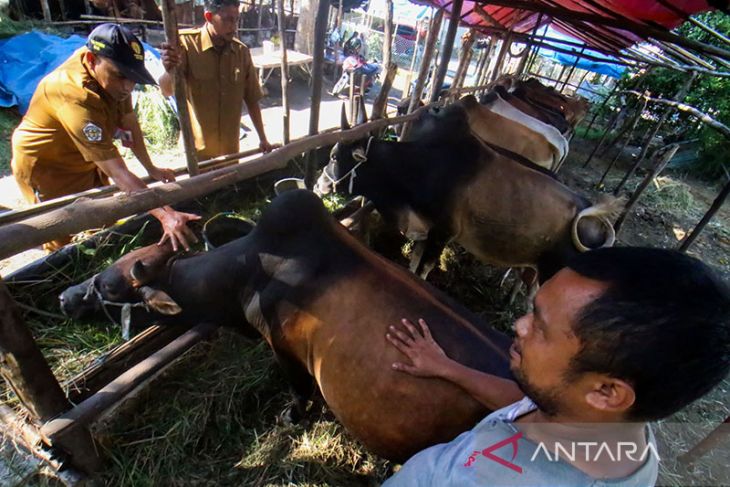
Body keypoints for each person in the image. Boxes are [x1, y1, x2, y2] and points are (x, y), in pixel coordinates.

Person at [384, 247, 730, 486]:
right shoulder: (605, 422)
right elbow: (526, 406)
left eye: (541, 326)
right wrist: (447, 368)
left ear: (607, 392)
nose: (519, 325)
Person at [11, 23, 200, 252]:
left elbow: (129, 122)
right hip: (49, 167)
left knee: (100, 223)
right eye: (120, 77)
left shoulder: (117, 83)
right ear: (92, 60)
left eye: (132, 78)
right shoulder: (73, 93)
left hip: (88, 159)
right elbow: (117, 171)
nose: (128, 87)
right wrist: (165, 215)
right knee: (64, 236)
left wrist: (151, 168)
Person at [159, 0, 273, 160]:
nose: (233, 26)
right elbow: (166, 90)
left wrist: (262, 138)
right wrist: (169, 70)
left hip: (230, 153)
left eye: (236, 19)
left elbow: (252, 98)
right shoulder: (184, 45)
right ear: (209, 17)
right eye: (227, 19)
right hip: (197, 155)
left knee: (231, 185)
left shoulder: (241, 52)